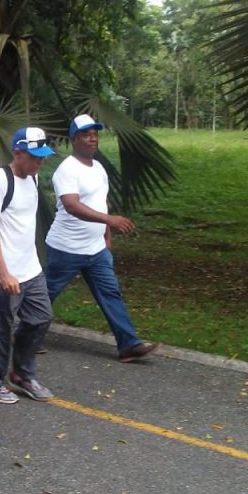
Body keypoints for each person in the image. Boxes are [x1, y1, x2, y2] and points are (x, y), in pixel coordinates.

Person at [44, 115, 160, 362]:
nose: (93, 138)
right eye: (86, 135)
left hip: (96, 250)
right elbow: (72, 206)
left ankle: (128, 345)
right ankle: (22, 336)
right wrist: (110, 221)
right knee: (45, 294)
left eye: (95, 133)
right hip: (66, 248)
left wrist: (107, 238)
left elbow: (101, 203)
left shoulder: (98, 168)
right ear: (74, 139)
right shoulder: (66, 170)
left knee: (111, 293)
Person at [0, 127, 57, 404]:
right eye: (34, 156)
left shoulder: (32, 179)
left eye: (42, 156)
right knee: (0, 329)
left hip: (30, 269)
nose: (40, 162)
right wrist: (3, 273)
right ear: (17, 152)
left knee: (40, 318)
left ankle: (22, 374)